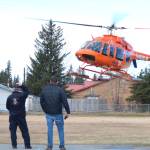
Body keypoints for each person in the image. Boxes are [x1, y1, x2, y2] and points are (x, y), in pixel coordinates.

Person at [40, 76, 70, 150]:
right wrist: (68, 112)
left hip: (49, 113)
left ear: (50, 81)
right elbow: (65, 101)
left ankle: (49, 146)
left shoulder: (44, 89)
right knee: (60, 130)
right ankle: (62, 146)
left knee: (50, 130)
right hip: (58, 114)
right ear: (57, 82)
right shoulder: (60, 90)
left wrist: (45, 110)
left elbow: (41, 102)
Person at [6, 83, 32, 149]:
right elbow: (27, 91)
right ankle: (27, 145)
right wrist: (22, 85)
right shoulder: (22, 95)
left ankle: (14, 145)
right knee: (25, 131)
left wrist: (12, 110)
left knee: (13, 132)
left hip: (12, 116)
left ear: (14, 88)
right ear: (19, 88)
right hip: (21, 116)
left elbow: (7, 107)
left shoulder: (9, 97)